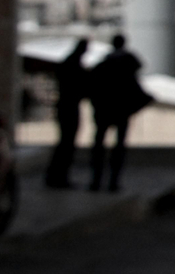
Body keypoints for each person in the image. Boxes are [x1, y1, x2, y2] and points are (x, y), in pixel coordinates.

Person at [87, 34, 150, 193]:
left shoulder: (104, 66)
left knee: (100, 146)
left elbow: (91, 87)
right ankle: (110, 182)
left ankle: (97, 181)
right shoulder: (125, 66)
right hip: (120, 111)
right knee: (116, 147)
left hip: (106, 111)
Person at [44, 38, 89, 190]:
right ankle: (58, 176)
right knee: (66, 144)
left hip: (67, 106)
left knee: (65, 144)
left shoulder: (70, 62)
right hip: (68, 107)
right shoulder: (73, 63)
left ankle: (57, 176)